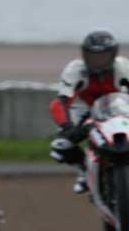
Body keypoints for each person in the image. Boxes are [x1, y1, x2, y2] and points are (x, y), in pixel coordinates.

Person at [49, 30, 129, 193]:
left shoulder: (123, 67)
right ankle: (85, 171)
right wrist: (67, 126)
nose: (98, 61)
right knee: (62, 145)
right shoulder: (75, 70)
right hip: (86, 109)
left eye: (103, 56)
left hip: (119, 105)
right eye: (93, 56)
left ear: (113, 55)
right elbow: (61, 102)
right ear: (84, 55)